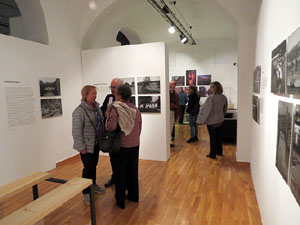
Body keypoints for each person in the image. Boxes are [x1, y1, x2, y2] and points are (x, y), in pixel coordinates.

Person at [105, 85, 142, 209]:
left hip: (122, 145)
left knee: (120, 173)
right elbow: (139, 126)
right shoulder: (135, 108)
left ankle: (120, 201)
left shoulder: (116, 108)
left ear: (119, 95)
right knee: (132, 171)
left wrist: (106, 121)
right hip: (135, 144)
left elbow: (112, 126)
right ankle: (133, 196)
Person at [72, 85, 106, 205]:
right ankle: (86, 192)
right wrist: (81, 147)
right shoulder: (79, 111)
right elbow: (76, 131)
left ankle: (93, 184)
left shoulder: (96, 107)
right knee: (87, 168)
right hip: (86, 145)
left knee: (94, 166)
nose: (95, 96)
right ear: (85, 95)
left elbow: (101, 121)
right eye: (92, 93)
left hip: (95, 143)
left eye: (95, 93)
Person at [101, 78, 124, 188]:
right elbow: (102, 109)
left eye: (113, 87)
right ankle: (115, 177)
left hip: (121, 133)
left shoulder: (125, 98)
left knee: (122, 159)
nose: (111, 89)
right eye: (111, 87)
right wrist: (105, 113)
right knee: (113, 157)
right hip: (110, 133)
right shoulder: (109, 97)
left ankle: (123, 179)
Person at [196, 81, 227, 159]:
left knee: (212, 138)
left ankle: (212, 154)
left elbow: (206, 109)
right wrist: (221, 116)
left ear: (214, 88)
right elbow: (225, 109)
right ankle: (219, 152)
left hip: (211, 122)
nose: (210, 88)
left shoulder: (211, 97)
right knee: (219, 137)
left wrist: (200, 120)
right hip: (219, 120)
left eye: (211, 87)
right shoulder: (223, 97)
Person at [169, 81, 179, 147]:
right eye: (171, 84)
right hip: (168, 111)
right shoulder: (167, 93)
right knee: (168, 126)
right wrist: (174, 105)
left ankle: (169, 141)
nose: (171, 85)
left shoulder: (175, 94)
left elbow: (177, 103)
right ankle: (168, 141)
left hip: (173, 111)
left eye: (172, 84)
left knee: (171, 126)